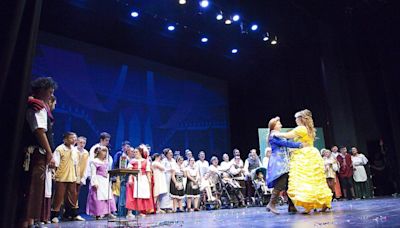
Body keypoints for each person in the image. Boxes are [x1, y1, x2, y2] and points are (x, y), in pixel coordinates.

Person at [275, 109, 332, 213]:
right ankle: (324, 203)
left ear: (300, 119)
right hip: (312, 154)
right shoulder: (309, 129)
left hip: (304, 156)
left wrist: (275, 134)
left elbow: (288, 135)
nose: (295, 120)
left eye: (296, 118)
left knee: (305, 181)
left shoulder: (301, 128)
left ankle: (309, 206)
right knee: (316, 181)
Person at [20, 77, 57, 227]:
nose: (51, 95)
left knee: (36, 189)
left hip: (38, 153)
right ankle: (25, 221)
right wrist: (49, 153)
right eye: (50, 91)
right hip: (37, 153)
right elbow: (40, 130)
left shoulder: (38, 105)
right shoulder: (38, 106)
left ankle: (30, 221)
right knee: (32, 188)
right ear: (42, 90)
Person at [265, 117, 303, 214]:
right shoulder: (274, 134)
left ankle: (291, 206)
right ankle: (271, 203)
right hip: (279, 162)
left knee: (289, 184)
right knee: (281, 183)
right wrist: (299, 145)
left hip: (283, 162)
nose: (281, 125)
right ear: (274, 126)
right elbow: (284, 143)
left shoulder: (277, 134)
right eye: (279, 124)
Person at [51, 132, 83, 223]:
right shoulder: (60, 149)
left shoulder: (75, 150)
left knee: (72, 196)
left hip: (72, 176)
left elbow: (76, 164)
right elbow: (56, 164)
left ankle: (71, 214)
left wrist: (77, 176)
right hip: (61, 175)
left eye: (75, 138)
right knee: (59, 196)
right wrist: (55, 174)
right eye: (71, 138)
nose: (74, 140)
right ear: (65, 139)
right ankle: (55, 215)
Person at [86, 146, 117, 219]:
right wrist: (94, 182)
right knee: (98, 196)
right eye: (103, 151)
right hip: (98, 180)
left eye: (105, 152)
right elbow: (93, 173)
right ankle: (98, 214)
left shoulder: (105, 162)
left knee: (107, 196)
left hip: (105, 181)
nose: (105, 153)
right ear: (99, 153)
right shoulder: (94, 161)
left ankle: (108, 212)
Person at [126, 145, 154, 218]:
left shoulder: (146, 161)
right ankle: (129, 212)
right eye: (134, 152)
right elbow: (129, 171)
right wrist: (130, 178)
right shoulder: (132, 161)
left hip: (143, 179)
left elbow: (148, 172)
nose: (135, 153)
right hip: (134, 179)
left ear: (140, 153)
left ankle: (142, 211)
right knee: (131, 195)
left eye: (136, 152)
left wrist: (149, 181)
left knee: (143, 195)